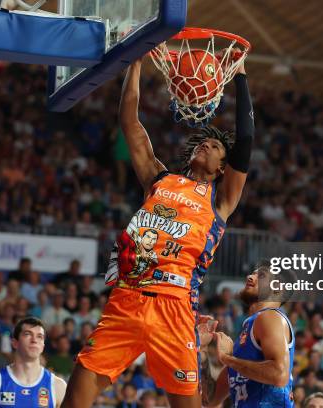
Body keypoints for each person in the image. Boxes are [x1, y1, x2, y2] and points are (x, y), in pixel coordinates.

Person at [62, 51, 254, 408]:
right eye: (204, 142)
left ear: (222, 169)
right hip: (128, 298)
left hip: (176, 308)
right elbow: (130, 124)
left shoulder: (221, 199)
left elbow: (245, 142)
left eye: (214, 147)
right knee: (75, 398)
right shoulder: (160, 179)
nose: (206, 145)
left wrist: (239, 78)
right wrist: (134, 64)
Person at [200, 265, 295, 407]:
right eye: (252, 273)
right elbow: (210, 399)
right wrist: (201, 349)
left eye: (261, 275)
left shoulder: (270, 316)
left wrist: (227, 359)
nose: (250, 277)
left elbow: (279, 375)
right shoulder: (248, 332)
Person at [0, 317, 66, 407]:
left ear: (43, 346)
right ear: (15, 343)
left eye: (39, 336)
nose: (34, 340)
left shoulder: (58, 386)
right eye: (27, 334)